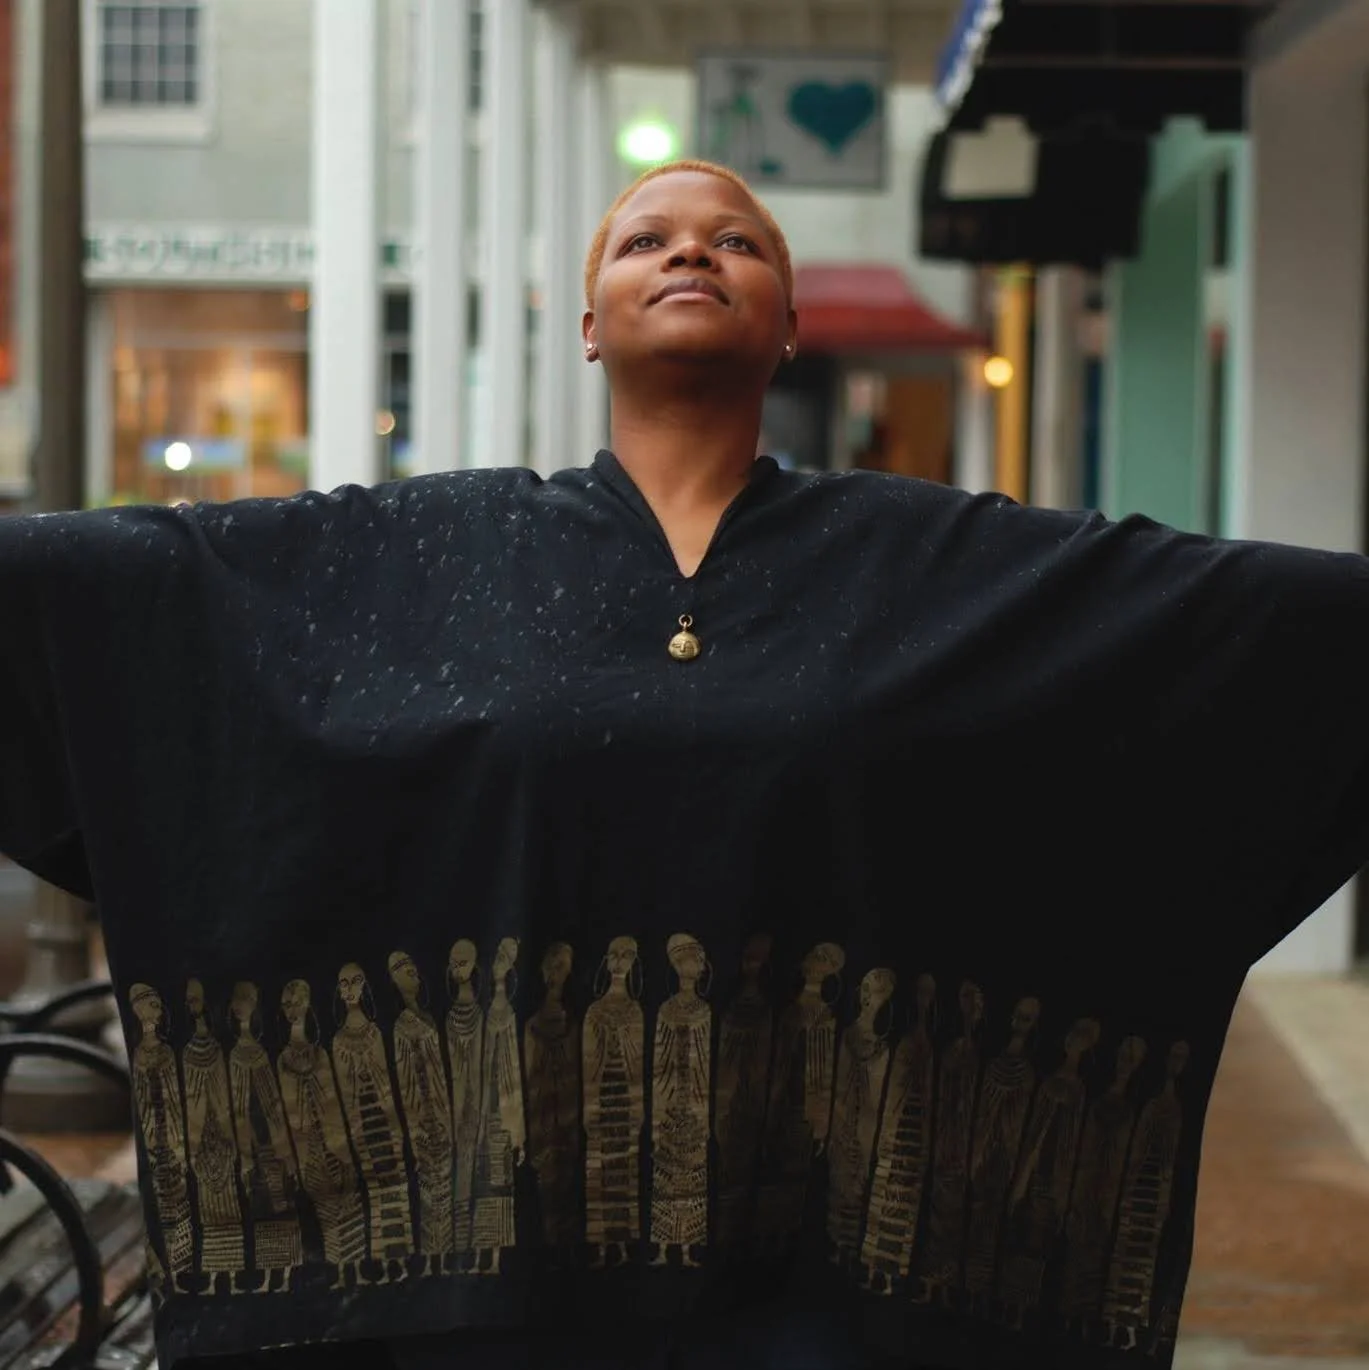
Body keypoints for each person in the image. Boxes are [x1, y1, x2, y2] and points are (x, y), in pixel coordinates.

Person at [2, 157, 1368, 1370]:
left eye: (737, 240)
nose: (693, 250)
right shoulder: (437, 555)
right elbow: (163, 593)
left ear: (790, 324)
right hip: (503, 1258)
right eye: (647, 239)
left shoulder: (927, 563)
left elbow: (1235, 628)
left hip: (824, 1271)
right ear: (590, 326)